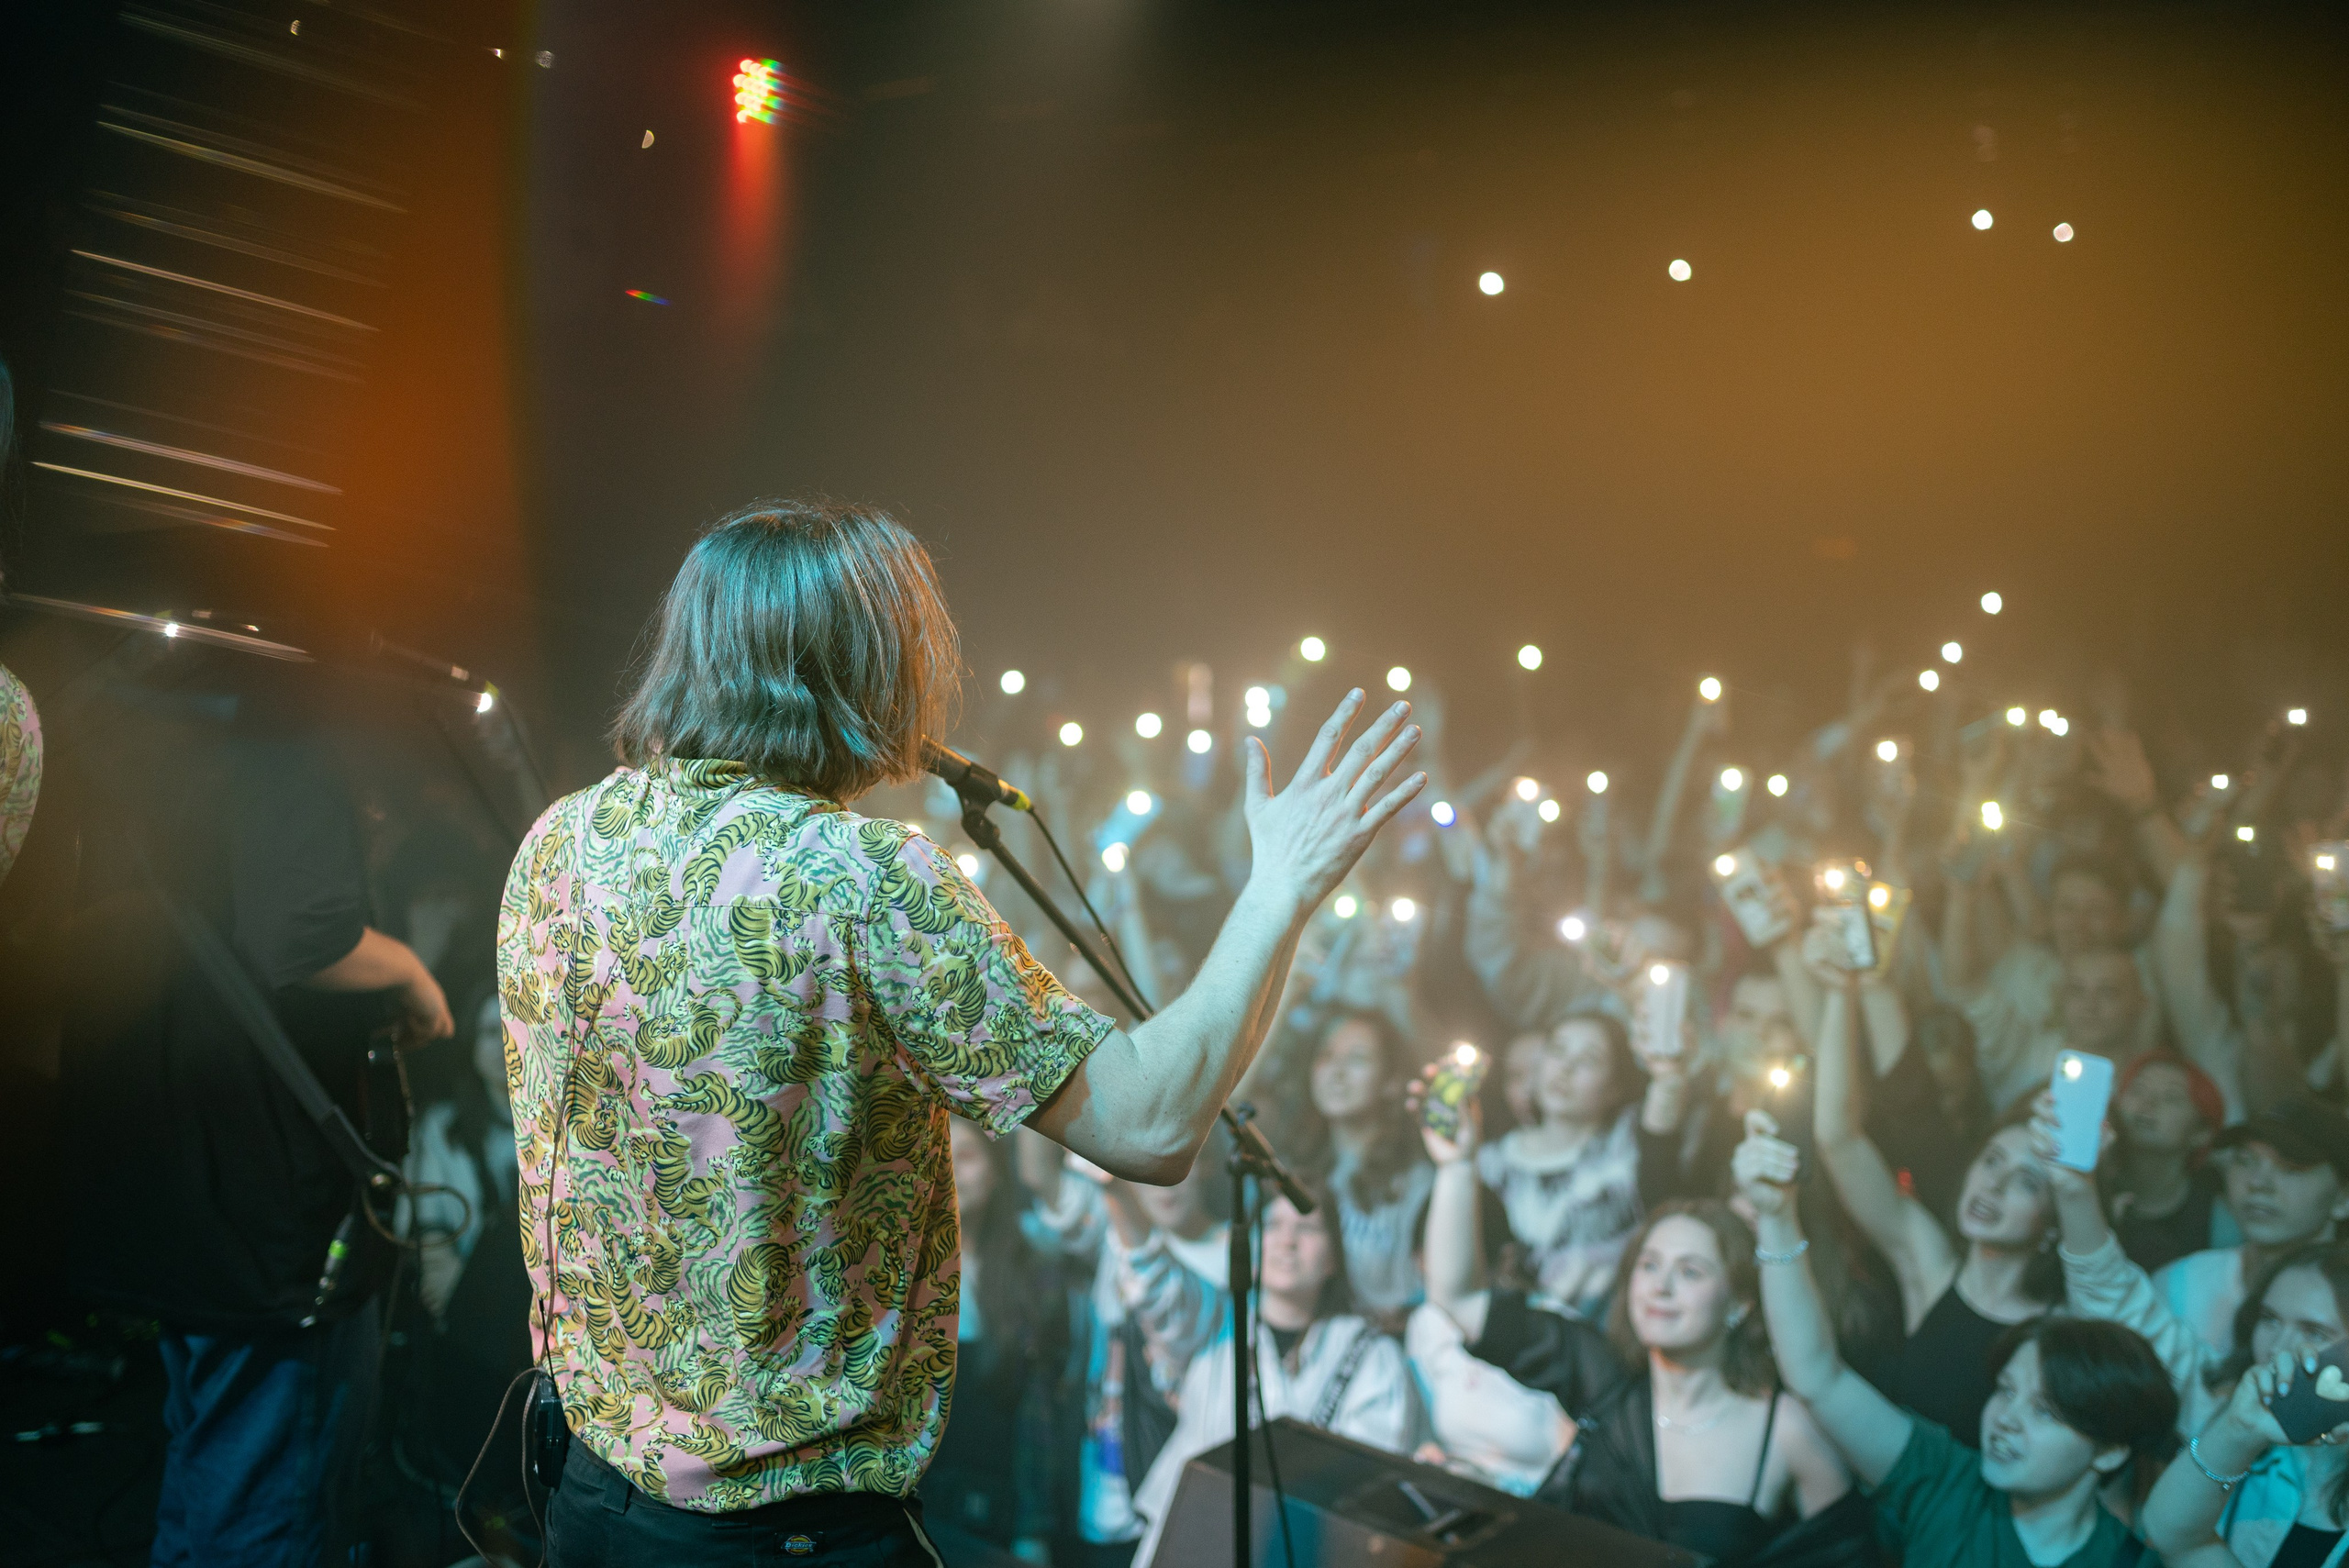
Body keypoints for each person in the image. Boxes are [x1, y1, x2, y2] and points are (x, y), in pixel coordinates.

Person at [498, 501, 1425, 1564]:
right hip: (787, 1531)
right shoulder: (864, 879)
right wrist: (1281, 888)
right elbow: (1153, 1124)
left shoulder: (560, 840)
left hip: (589, 1499)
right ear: (864, 670)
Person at [58, 662, 455, 1568]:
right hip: (272, 1219)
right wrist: (414, 977)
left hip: (184, 1189)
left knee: (209, 1483)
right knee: (269, 1514)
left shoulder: (141, 723)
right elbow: (304, 933)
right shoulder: (288, 728)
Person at [1419, 1091, 1865, 1563]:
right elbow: (1460, 1299)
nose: (1661, 1287)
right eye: (1649, 1266)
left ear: (1740, 1304)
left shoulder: (1786, 1430)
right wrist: (1457, 1168)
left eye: (1690, 1272)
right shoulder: (1607, 1382)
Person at [1734, 1113, 2178, 1568]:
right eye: (2005, 1389)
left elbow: (2107, 1289)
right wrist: (1776, 1217)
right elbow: (1816, 1377)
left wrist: (2075, 1191)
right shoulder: (1945, 1483)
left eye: (2045, 1409)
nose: (2006, 1418)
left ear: (2109, 1450)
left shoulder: (2130, 1561)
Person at [1807, 947, 2065, 1443]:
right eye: (1991, 1161)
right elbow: (1838, 1137)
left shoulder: (2061, 1331)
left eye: (2027, 1182)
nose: (1994, 1184)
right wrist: (1842, 991)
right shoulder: (1930, 1268)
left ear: (2056, 1223)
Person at [1128, 1185, 1416, 1567]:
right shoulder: (1213, 1321)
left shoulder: (1372, 1354)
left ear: (1334, 1258)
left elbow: (1368, 1479)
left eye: (1308, 1228)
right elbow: (1154, 1283)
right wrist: (1116, 1193)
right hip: (1197, 1543)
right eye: (1273, 1224)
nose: (1287, 1241)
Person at [921, 1121, 1068, 1560]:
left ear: (995, 1167)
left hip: (998, 1512)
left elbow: (1040, 1411)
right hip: (914, 1506)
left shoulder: (1033, 1272)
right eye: (939, 1155)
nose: (951, 1169)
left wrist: (1033, 1529)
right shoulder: (900, 1273)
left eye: (966, 1156)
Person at [2137, 1280, 2349, 1568]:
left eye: (2315, 1331)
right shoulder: (2252, 1449)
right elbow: (2174, 1538)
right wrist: (2240, 1430)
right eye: (2269, 1319)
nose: (2279, 1347)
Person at [1474, 1009, 1648, 1312]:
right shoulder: (1490, 1162)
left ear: (1615, 1087)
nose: (1565, 1068)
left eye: (1589, 1060)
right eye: (1558, 1050)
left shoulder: (1626, 1156)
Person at [2153, 1095, 2349, 1362]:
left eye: (2290, 1167)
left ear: (2342, 1198)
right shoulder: (2179, 1284)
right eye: (2245, 1161)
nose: (2258, 1183)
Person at [1289, 1008, 1436, 1313]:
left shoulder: (1417, 1181)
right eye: (1327, 1056)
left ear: (1391, 1081)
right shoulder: (1297, 1163)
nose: (1337, 1072)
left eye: (1357, 1060)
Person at [2101, 1049, 2232, 1274]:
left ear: (2201, 1133)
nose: (2148, 1103)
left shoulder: (2218, 1220)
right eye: (2137, 1089)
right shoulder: (2086, 1187)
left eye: (2171, 1097)